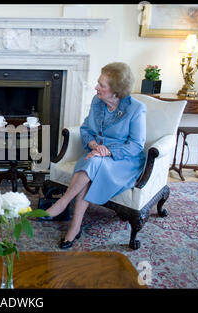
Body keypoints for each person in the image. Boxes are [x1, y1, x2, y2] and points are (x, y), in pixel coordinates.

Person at [39, 62, 146, 249]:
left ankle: (63, 204)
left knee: (93, 162)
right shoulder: (98, 101)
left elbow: (136, 145)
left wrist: (108, 151)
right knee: (93, 163)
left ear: (116, 91)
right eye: (98, 83)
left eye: (102, 85)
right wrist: (95, 145)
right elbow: (86, 129)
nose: (96, 87)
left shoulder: (136, 109)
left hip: (122, 161)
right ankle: (74, 227)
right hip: (95, 154)